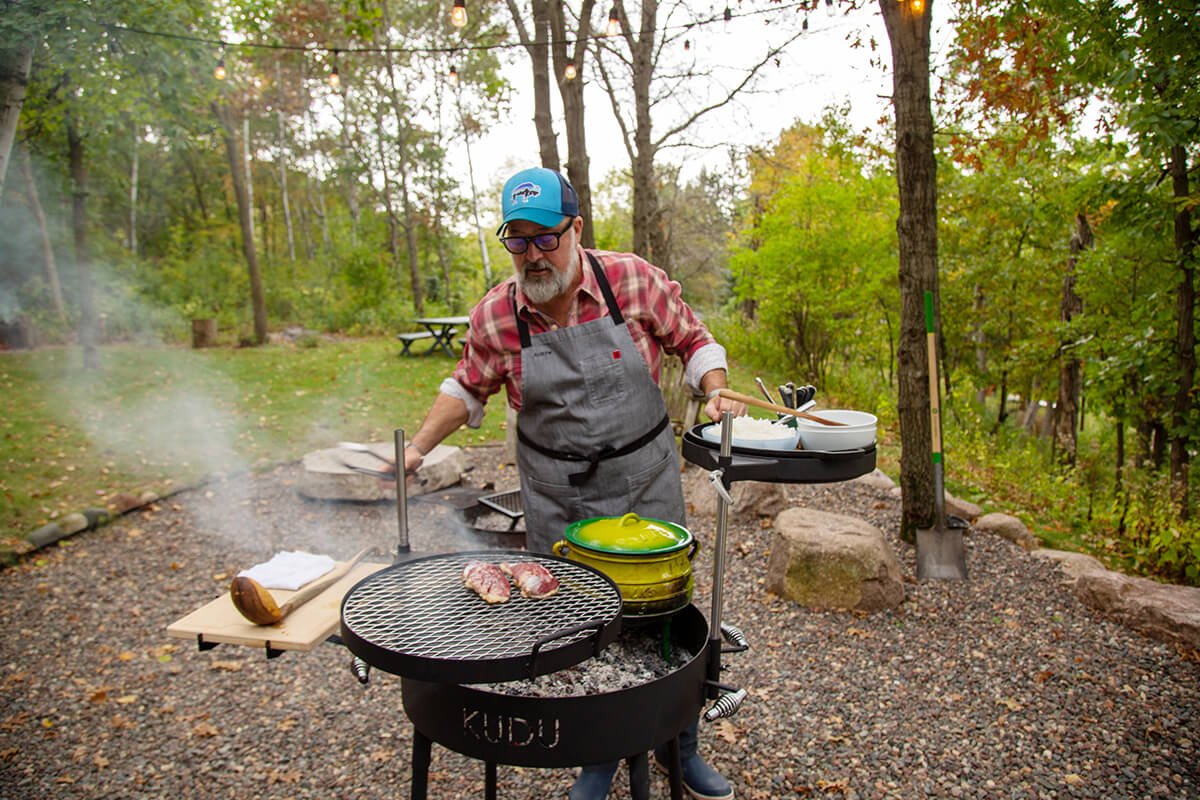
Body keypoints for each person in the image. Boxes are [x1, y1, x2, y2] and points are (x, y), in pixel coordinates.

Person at [400, 167, 745, 800]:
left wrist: (716, 391)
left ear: (576, 230)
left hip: (643, 480)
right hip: (558, 493)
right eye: (518, 240)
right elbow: (466, 385)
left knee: (662, 615)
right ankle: (597, 753)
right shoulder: (497, 315)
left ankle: (680, 743)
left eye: (545, 239)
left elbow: (692, 338)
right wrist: (418, 449)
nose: (532, 255)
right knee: (574, 622)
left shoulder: (631, 280)